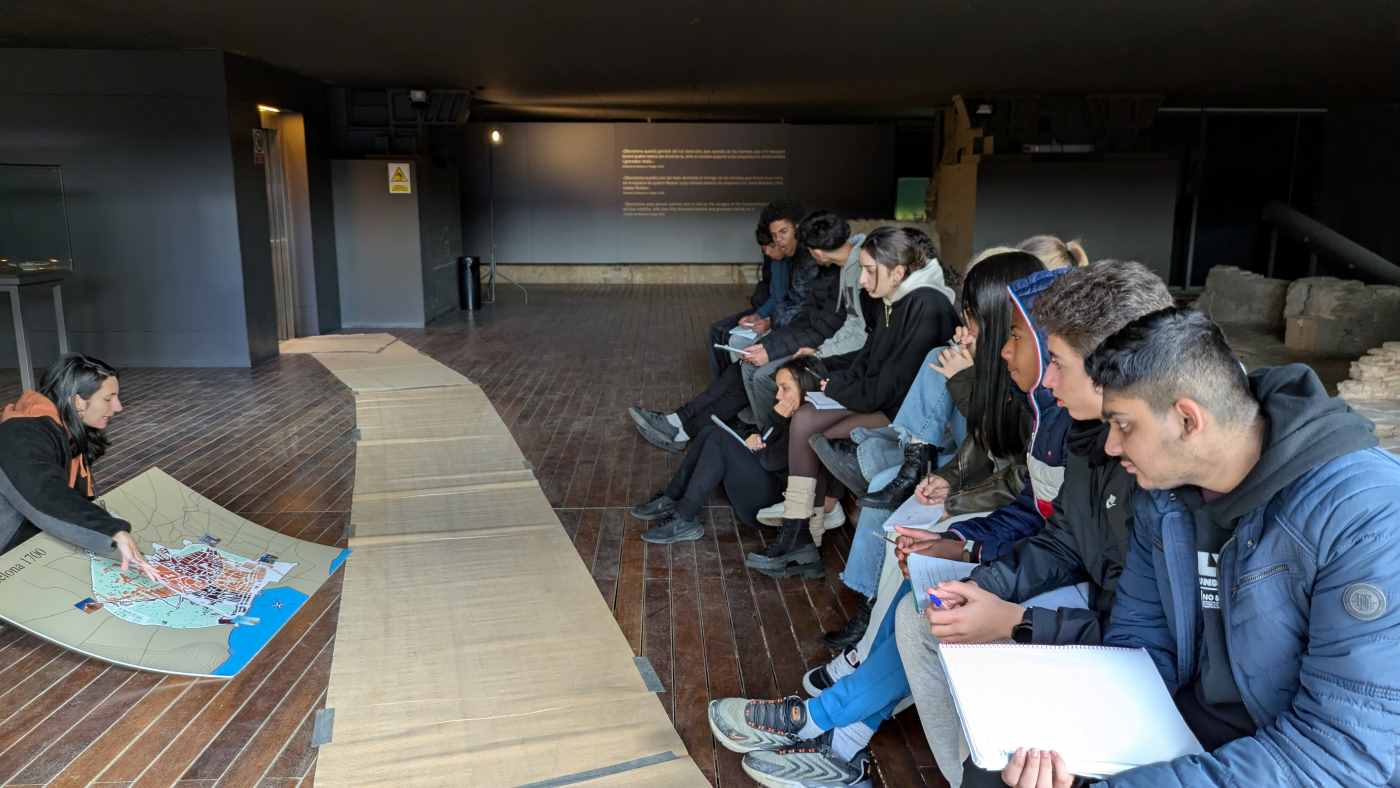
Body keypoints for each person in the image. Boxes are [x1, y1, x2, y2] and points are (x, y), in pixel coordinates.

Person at [1001, 307, 1400, 788]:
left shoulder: (1367, 514)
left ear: (1188, 419)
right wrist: (1080, 741)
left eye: (1124, 425)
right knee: (1007, 765)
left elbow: (1339, 754)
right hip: (1190, 737)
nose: (1110, 447)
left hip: (1285, 759)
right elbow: (1141, 645)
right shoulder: (1163, 497)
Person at [707, 265, 1072, 787]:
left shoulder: (1063, 414)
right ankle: (841, 734)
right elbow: (1035, 509)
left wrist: (978, 560)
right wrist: (960, 542)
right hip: (1014, 539)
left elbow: (1026, 496)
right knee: (916, 565)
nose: (965, 333)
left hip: (1037, 569)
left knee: (927, 607)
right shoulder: (1050, 408)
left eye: (1010, 335)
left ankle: (822, 721)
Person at [890, 261, 1174, 788]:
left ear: (1107, 364)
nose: (1005, 351)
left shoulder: (1157, 467)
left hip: (1120, 650)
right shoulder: (1088, 433)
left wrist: (1016, 621)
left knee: (958, 638)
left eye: (1051, 357)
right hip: (1095, 614)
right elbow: (1060, 536)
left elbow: (1146, 640)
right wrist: (978, 578)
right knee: (928, 612)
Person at [816, 249, 1044, 651]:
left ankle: (910, 459)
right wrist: (947, 477)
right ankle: (868, 605)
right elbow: (982, 444)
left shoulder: (1034, 382)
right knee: (887, 484)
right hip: (971, 470)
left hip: (997, 497)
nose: (963, 330)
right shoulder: (1001, 360)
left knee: (898, 497)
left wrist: (964, 379)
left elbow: (1004, 458)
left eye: (971, 319)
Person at [746, 227, 959, 580]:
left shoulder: (925, 304)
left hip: (907, 420)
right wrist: (824, 371)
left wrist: (833, 385)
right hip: (881, 401)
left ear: (898, 272)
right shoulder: (897, 297)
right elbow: (869, 360)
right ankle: (801, 534)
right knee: (806, 420)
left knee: (806, 422)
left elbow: (889, 389)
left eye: (869, 270)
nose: (861, 280)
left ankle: (800, 536)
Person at [0, 354, 156, 580]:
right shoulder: (20, 435)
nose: (118, 407)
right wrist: (111, 530)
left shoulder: (62, 429)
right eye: (108, 398)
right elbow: (45, 493)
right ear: (77, 402)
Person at [632, 359, 821, 544]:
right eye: (778, 388)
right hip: (763, 483)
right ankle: (672, 497)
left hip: (769, 506)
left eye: (785, 388)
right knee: (709, 431)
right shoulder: (794, 412)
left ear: (805, 388)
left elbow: (769, 461)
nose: (778, 395)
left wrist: (774, 421)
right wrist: (756, 438)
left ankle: (685, 517)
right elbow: (767, 444)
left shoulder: (808, 422)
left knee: (719, 440)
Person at [739, 211, 871, 431]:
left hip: (846, 355)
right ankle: (768, 433)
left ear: (817, 252)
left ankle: (773, 436)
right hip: (825, 342)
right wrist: (771, 344)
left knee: (763, 376)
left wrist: (818, 353)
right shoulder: (845, 266)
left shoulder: (857, 269)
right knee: (752, 366)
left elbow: (856, 329)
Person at [707, 201, 803, 377]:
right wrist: (759, 315)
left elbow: (796, 305)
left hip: (786, 324)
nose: (778, 242)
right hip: (775, 316)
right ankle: (725, 381)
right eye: (774, 236)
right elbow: (777, 297)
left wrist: (769, 321)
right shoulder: (777, 261)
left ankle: (730, 382)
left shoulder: (800, 261)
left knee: (739, 346)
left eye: (783, 233)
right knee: (720, 332)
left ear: (796, 230)